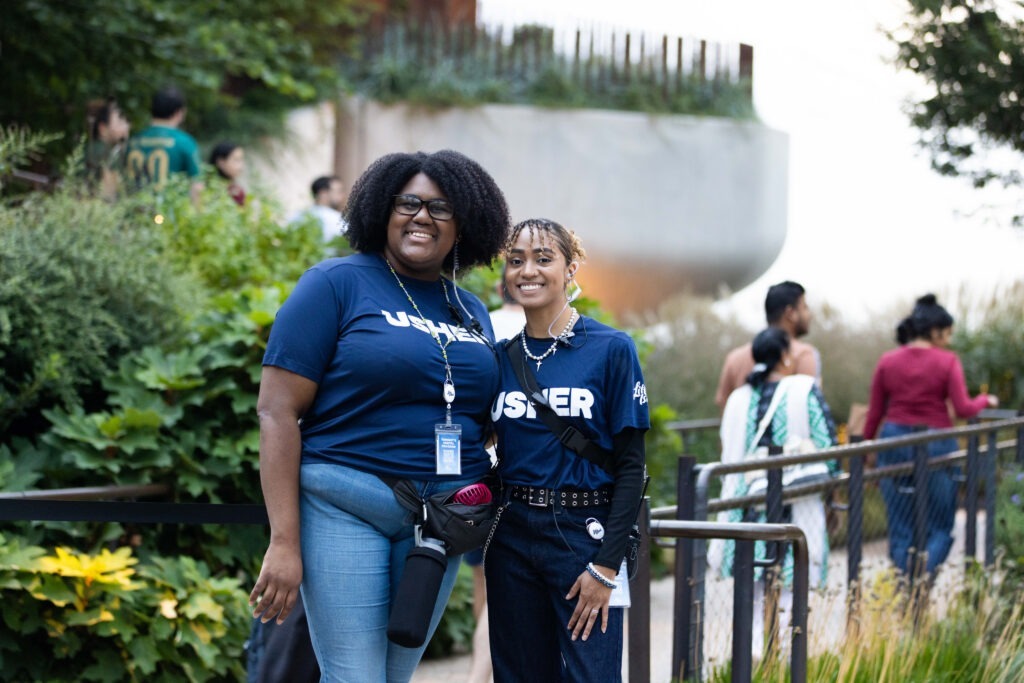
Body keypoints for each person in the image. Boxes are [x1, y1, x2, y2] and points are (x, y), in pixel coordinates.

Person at [248, 149, 510, 682]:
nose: (421, 216)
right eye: (407, 203)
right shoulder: (334, 284)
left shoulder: (471, 309)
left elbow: (484, 415)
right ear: (382, 210)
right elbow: (276, 411)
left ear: (463, 223)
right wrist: (284, 541)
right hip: (346, 502)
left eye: (440, 207)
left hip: (439, 523)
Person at [486, 218, 649, 682]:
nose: (527, 271)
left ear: (570, 268)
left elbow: (631, 468)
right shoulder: (499, 358)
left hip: (584, 535)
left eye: (543, 259)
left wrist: (606, 566)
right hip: (512, 533)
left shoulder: (612, 349)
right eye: (516, 260)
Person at [711, 327, 838, 655]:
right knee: (792, 583)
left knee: (754, 585)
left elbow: (727, 447)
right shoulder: (803, 390)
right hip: (795, 504)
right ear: (785, 356)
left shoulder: (739, 398)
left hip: (746, 505)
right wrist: (832, 491)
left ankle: (754, 658)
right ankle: (786, 660)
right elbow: (828, 447)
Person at [863, 293, 998, 577]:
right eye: (947, 334)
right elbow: (963, 408)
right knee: (940, 525)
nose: (948, 340)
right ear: (935, 331)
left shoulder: (887, 361)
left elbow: (874, 413)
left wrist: (865, 454)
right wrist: (986, 400)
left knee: (901, 525)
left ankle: (907, 581)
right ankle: (923, 577)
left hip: (894, 443)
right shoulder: (947, 361)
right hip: (937, 445)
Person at [715, 280, 821, 410]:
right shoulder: (804, 354)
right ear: (790, 313)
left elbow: (723, 405)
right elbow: (811, 408)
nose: (809, 315)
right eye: (805, 307)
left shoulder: (734, 358)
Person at [125, 85, 203, 203]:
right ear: (179, 112)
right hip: (170, 210)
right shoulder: (185, 142)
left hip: (136, 208)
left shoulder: (133, 141)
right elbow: (196, 186)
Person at [84, 98, 130, 200]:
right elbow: (110, 194)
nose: (125, 126)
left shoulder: (88, 148)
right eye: (119, 122)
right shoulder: (109, 154)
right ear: (103, 128)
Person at [289, 175, 348, 242]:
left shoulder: (297, 215)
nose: (343, 196)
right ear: (323, 193)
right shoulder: (337, 220)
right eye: (339, 192)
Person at [209, 141, 247, 206]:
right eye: (236, 160)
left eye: (241, 159)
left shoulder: (236, 190)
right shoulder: (208, 190)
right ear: (221, 162)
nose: (241, 166)